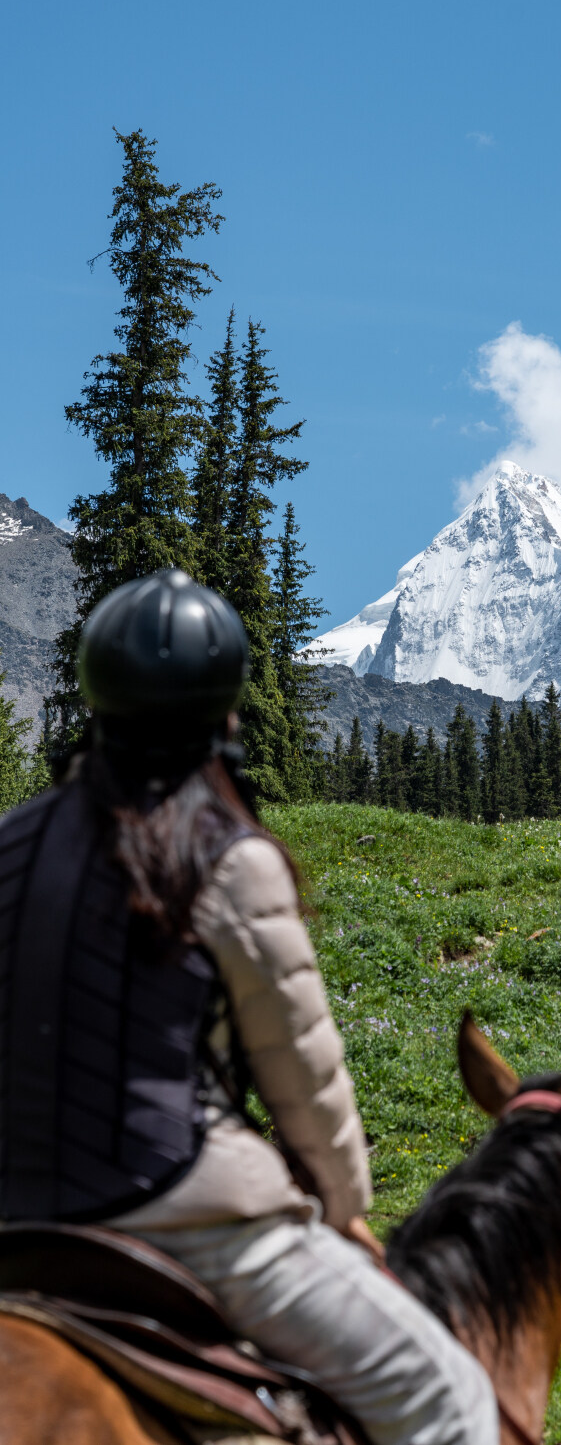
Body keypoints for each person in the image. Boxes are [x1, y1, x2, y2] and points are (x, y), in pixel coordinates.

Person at [0, 568, 498, 1445]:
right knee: (449, 1396)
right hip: (183, 1214)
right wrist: (344, 1205)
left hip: (13, 1218)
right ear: (225, 711)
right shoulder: (229, 860)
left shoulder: (11, 843)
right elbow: (302, 1067)